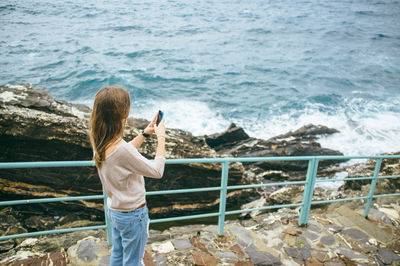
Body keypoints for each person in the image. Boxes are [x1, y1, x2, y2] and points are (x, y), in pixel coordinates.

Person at [89, 86, 166, 266]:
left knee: (118, 253)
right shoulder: (121, 149)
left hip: (115, 211)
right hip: (133, 215)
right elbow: (157, 171)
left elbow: (122, 156)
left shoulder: (100, 139)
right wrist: (161, 137)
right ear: (122, 114)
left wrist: (145, 134)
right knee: (133, 261)